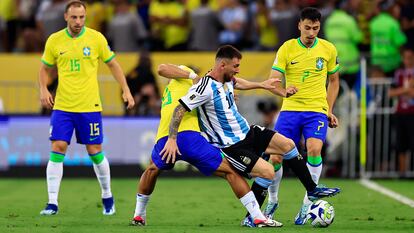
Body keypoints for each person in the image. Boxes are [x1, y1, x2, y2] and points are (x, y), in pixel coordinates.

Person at [161, 45, 341, 227]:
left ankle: (312, 189)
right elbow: (179, 108)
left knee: (287, 145)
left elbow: (238, 82)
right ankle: (251, 217)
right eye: (236, 66)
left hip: (249, 132)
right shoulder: (204, 88)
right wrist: (172, 138)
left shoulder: (227, 79)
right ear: (223, 65)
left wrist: (262, 84)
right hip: (232, 146)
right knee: (268, 172)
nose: (238, 70)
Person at [131, 63, 282, 227]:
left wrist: (227, 97)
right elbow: (161, 68)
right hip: (189, 138)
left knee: (152, 170)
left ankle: (139, 215)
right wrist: (192, 75)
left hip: (166, 138)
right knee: (230, 173)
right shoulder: (189, 77)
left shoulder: (179, 89)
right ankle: (257, 216)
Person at [38, 0, 135, 216]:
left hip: (89, 106)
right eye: (74, 17)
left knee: (94, 151)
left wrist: (126, 90)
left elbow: (113, 65)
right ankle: (52, 203)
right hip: (63, 106)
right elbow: (44, 68)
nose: (78, 21)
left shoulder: (96, 38)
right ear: (66, 17)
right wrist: (43, 89)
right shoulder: (54, 40)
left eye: (82, 17)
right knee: (58, 147)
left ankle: (107, 195)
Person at [264, 7, 341, 225]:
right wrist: (283, 91)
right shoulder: (287, 48)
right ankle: (273, 200)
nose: (311, 33)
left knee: (314, 149)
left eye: (315, 28)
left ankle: (308, 203)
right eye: (307, 27)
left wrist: (328, 109)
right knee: (276, 157)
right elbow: (273, 81)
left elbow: (334, 82)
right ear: (299, 25)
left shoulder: (328, 49)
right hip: (290, 109)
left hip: (316, 110)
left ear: (319, 27)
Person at [388, 47, 414, 176]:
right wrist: (406, 90)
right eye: (405, 57)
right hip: (401, 113)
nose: (407, 60)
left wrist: (406, 90)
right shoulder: (399, 73)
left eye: (410, 57)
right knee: (401, 144)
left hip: (412, 113)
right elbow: (390, 92)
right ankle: (403, 173)